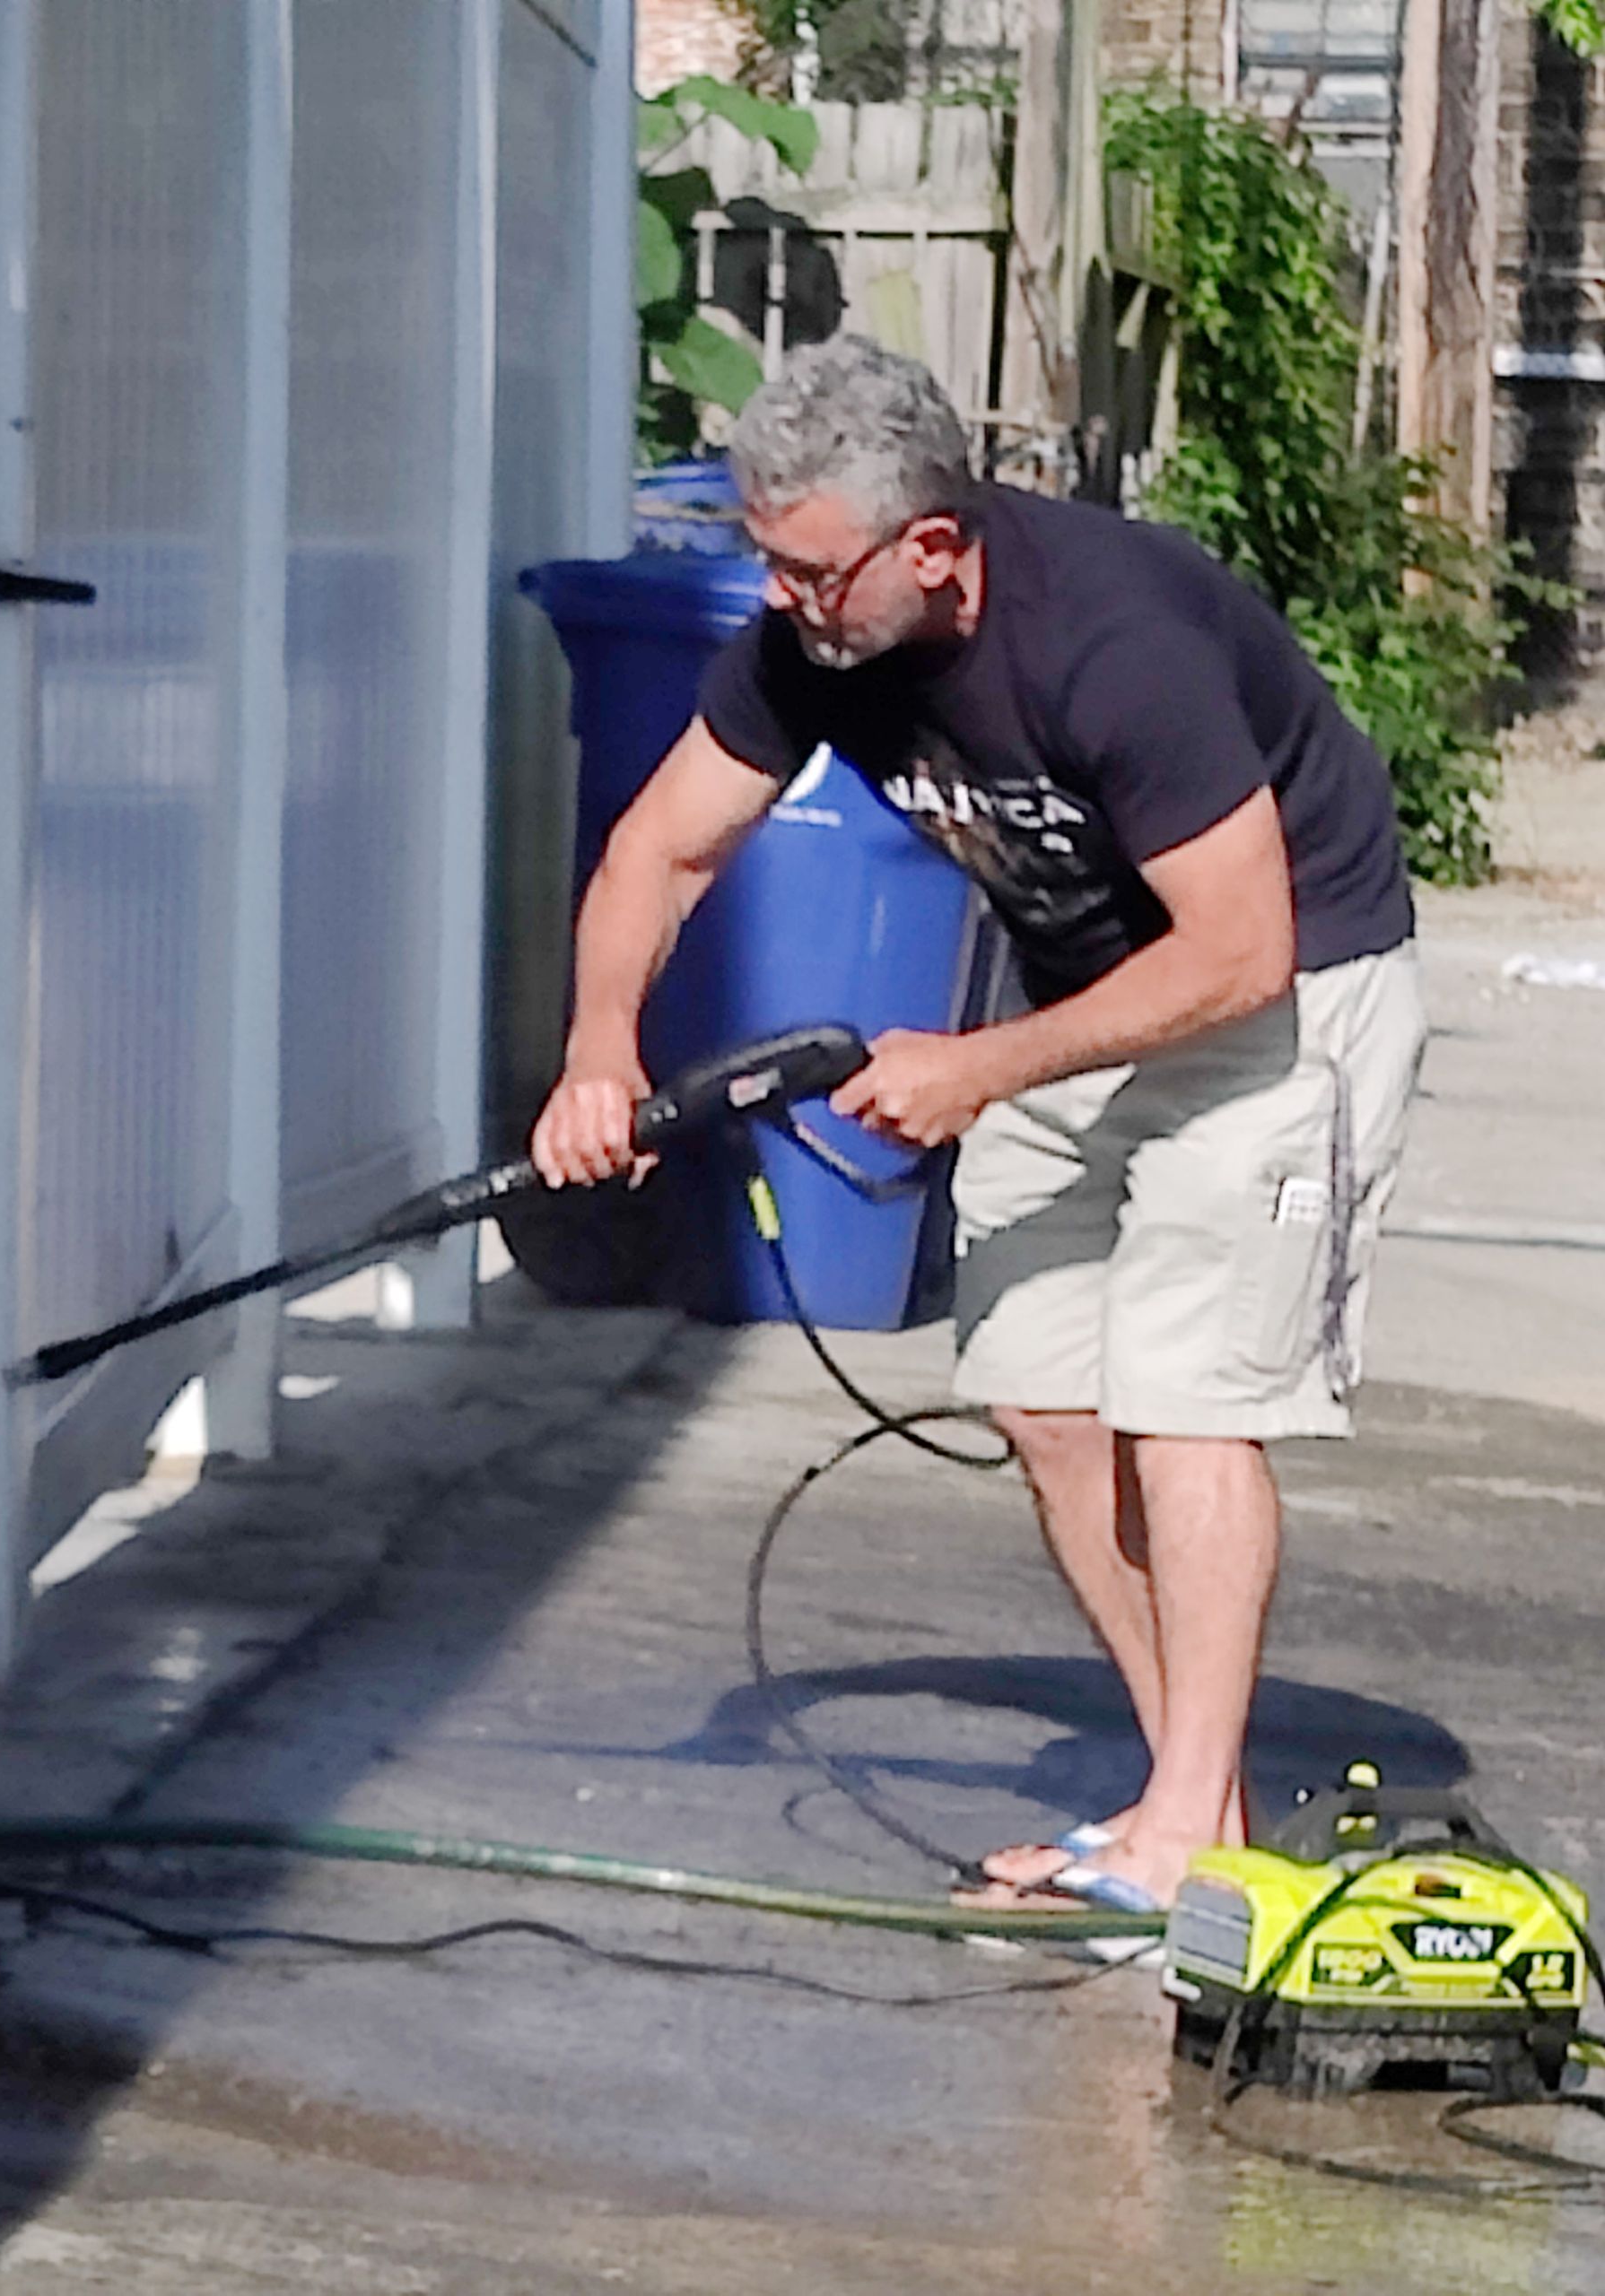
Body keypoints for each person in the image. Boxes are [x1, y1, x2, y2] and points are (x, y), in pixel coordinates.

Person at [529, 335, 1426, 1924]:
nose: (783, 601)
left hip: (1284, 994)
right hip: (1078, 993)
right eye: (768, 562)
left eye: (810, 571)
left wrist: (979, 1066)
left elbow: (1241, 950)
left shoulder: (1114, 644)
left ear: (933, 546)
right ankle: (1193, 1805)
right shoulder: (812, 644)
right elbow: (660, 851)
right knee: (1044, 1396)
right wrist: (600, 1051)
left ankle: (1183, 1840)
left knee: (1188, 1402)